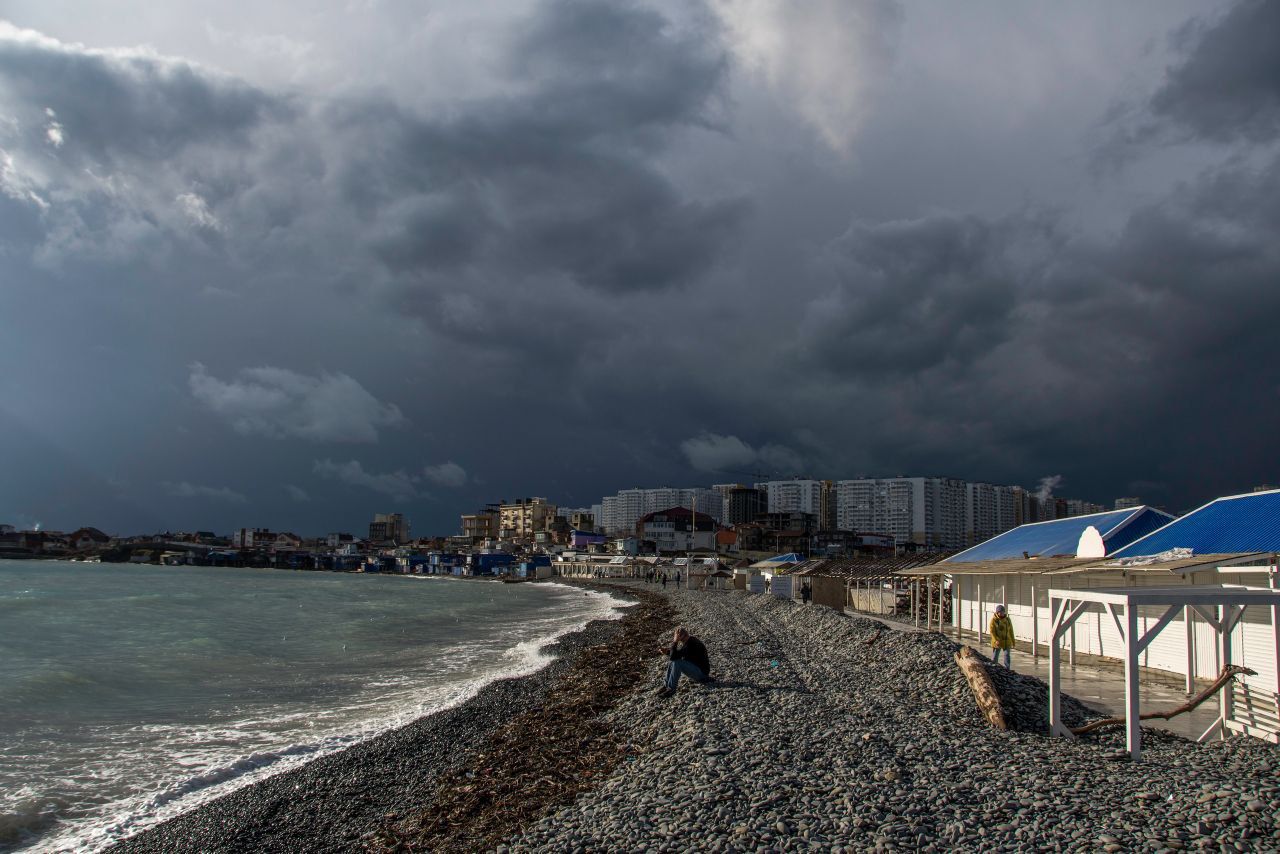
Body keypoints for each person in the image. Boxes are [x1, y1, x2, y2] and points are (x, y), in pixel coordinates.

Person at [657, 627, 711, 697]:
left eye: (679, 638)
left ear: (681, 636)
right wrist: (667, 652)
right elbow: (678, 655)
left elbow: (674, 656)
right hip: (696, 670)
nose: (680, 641)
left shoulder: (692, 644)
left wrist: (675, 641)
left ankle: (671, 689)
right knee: (672, 661)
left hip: (702, 674)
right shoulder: (689, 641)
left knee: (677, 663)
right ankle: (666, 685)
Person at [989, 604, 1015, 669]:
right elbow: (992, 632)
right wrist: (995, 640)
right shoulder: (994, 620)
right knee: (995, 655)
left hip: (1007, 641)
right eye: (1001, 612)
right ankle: (993, 667)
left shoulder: (1008, 620)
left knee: (1007, 655)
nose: (1002, 613)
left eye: (1003, 612)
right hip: (997, 642)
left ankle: (1007, 668)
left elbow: (1011, 631)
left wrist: (1013, 641)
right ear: (997, 612)